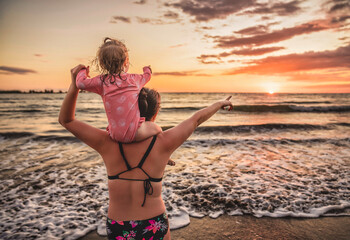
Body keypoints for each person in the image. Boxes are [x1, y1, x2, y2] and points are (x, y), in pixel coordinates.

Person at [59, 64, 233, 240]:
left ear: (130, 108)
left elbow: (66, 120)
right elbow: (196, 119)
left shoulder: (107, 142)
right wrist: (219, 103)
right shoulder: (164, 142)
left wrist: (75, 84)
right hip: (154, 222)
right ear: (155, 113)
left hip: (119, 225)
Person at [76, 37, 161, 143]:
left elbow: (80, 83)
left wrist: (83, 71)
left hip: (114, 135)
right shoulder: (134, 79)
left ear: (102, 63)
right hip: (135, 133)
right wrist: (147, 69)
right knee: (157, 129)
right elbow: (147, 76)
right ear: (126, 61)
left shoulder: (101, 82)